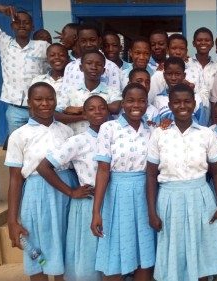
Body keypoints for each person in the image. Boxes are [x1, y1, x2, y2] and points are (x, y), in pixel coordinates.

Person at [146, 83, 217, 280]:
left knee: (200, 248)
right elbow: (150, 175)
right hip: (169, 198)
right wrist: (151, 211)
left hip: (200, 196)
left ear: (194, 104)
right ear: (170, 105)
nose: (182, 106)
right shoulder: (159, 133)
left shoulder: (206, 134)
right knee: (175, 248)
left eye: (187, 101)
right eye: (177, 102)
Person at [5, 82, 77, 281]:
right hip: (37, 196)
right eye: (38, 99)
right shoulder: (19, 136)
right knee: (37, 248)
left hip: (65, 192)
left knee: (63, 245)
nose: (45, 103)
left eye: (50, 98)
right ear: (29, 103)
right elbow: (15, 179)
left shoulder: (66, 132)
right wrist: (12, 220)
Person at [36, 95, 108, 281]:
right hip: (88, 203)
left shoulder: (115, 137)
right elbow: (44, 167)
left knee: (109, 256)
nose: (97, 112)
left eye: (102, 108)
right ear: (84, 114)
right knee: (88, 255)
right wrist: (70, 191)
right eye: (91, 109)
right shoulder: (79, 141)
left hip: (112, 200)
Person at [91, 83, 156, 281]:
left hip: (146, 192)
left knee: (144, 249)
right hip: (118, 193)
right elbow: (103, 171)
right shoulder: (108, 128)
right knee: (115, 249)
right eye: (130, 100)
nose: (136, 105)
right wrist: (96, 211)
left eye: (141, 101)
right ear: (122, 102)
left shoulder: (152, 129)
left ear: (147, 103)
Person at [0, 4, 50, 134]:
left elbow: (59, 62)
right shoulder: (5, 43)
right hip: (15, 110)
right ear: (12, 26)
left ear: (32, 27)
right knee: (17, 146)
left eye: (26, 22)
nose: (22, 25)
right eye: (17, 22)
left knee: (40, 145)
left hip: (39, 109)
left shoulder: (43, 46)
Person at [57, 50, 121, 135]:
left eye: (99, 64)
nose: (93, 67)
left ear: (103, 70)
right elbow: (56, 115)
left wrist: (80, 110)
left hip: (103, 141)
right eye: (89, 63)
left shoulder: (112, 91)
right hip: (75, 141)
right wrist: (83, 116)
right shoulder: (70, 91)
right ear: (81, 68)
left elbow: (115, 108)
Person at [61, 24, 122, 93]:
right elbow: (64, 97)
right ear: (78, 42)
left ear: (99, 40)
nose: (88, 44)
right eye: (83, 41)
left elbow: (115, 99)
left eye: (92, 40)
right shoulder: (70, 67)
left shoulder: (112, 67)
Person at [152, 57, 208, 125]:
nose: (173, 78)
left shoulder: (196, 98)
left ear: (184, 75)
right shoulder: (158, 99)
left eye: (177, 74)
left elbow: (202, 126)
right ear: (164, 75)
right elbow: (155, 125)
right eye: (169, 74)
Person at [186, 27, 217, 108]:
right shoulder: (185, 64)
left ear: (212, 44)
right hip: (190, 112)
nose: (203, 43)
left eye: (207, 40)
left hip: (213, 112)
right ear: (194, 43)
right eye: (199, 40)